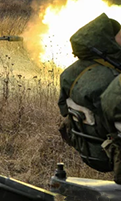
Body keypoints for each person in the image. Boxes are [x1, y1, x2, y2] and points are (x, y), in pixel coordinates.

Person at [58, 13, 121, 181]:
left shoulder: (68, 74)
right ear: (106, 42)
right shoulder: (111, 79)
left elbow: (63, 110)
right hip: (109, 151)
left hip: (87, 147)